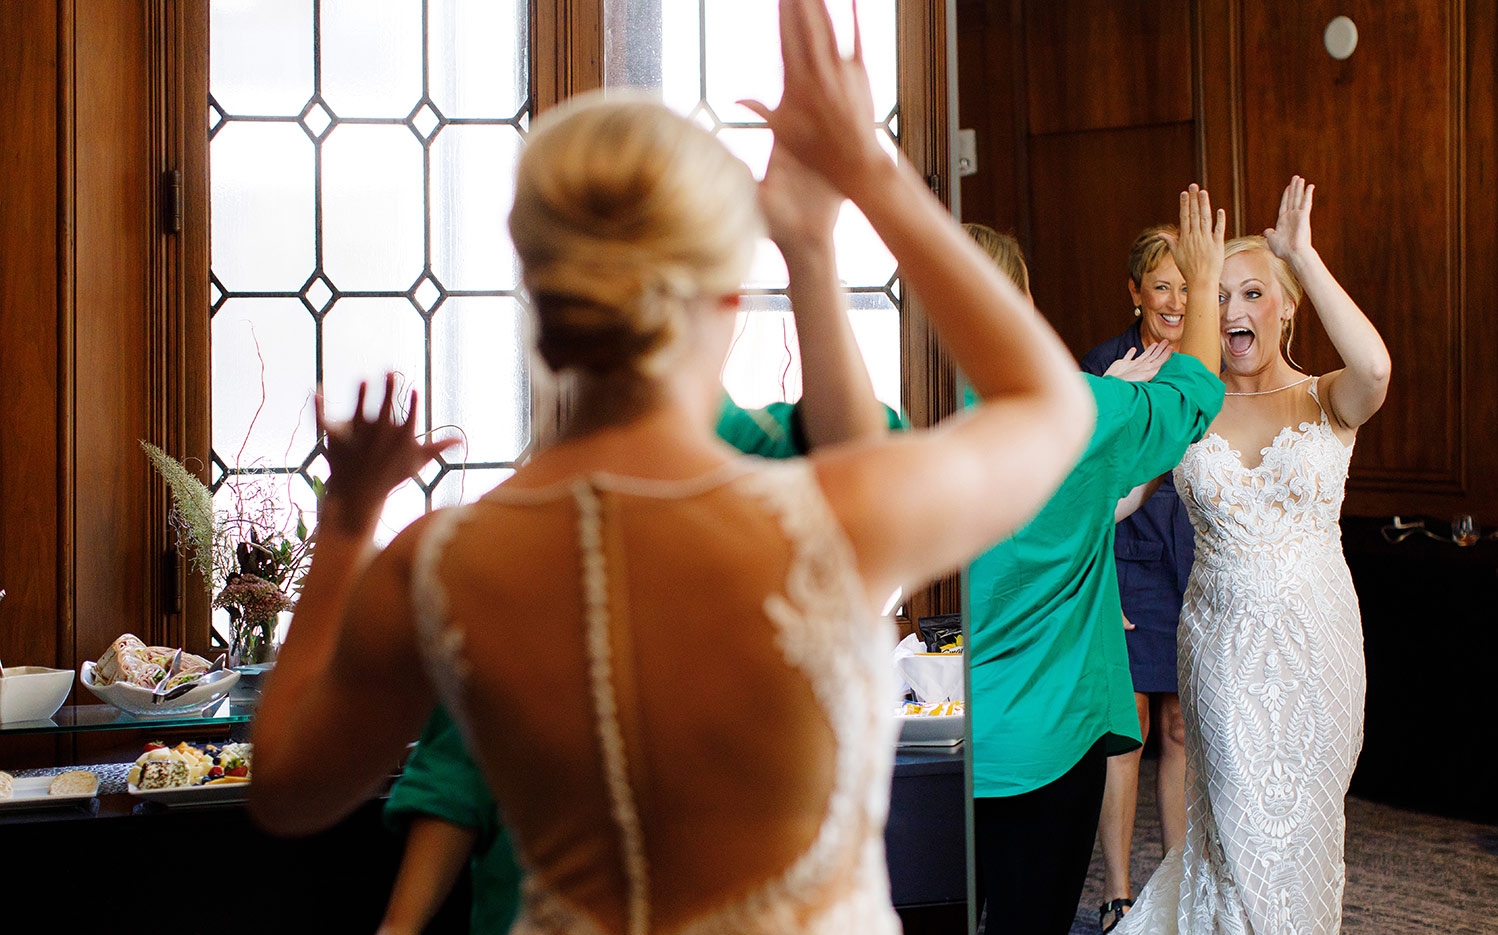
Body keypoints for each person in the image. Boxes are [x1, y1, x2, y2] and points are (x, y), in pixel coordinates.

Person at [249, 4, 1095, 934]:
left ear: (536, 291)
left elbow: (286, 791)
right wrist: (867, 174)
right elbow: (1052, 404)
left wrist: (347, 520)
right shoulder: (833, 519)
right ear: (730, 291)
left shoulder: (439, 563)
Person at [378, 140, 903, 935]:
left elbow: (859, 452)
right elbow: (456, 764)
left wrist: (809, 252)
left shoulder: (772, 463)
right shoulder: (507, 530)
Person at [1115, 176, 1390, 935]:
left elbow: (1375, 370)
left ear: (1288, 307)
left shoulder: (1327, 398)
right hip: (1222, 653)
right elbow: (1114, 501)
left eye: (1253, 293)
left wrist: (1300, 254)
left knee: (1304, 840)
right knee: (1240, 843)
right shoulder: (1189, 409)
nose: (1233, 309)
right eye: (1220, 296)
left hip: (1320, 657)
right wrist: (1111, 408)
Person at [965, 189, 1226, 935]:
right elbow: (1192, 398)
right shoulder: (1074, 409)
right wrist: (1205, 279)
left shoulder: (910, 413)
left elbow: (1095, 504)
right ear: (1019, 300)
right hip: (1048, 737)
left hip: (948, 733)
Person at [1080, 225, 1194, 933]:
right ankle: (1117, 891)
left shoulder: (1207, 364)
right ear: (1135, 292)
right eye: (1161, 287)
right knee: (1131, 724)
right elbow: (1085, 484)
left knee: (1181, 725)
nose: (1175, 302)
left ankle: (1179, 885)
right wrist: (1101, 586)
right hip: (1127, 560)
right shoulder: (1104, 365)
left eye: (1186, 288)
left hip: (1195, 561)